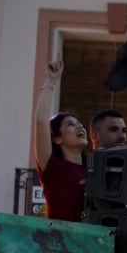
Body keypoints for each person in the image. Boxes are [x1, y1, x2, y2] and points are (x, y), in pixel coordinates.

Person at [33, 59, 89, 221]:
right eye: (71, 124)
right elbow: (41, 122)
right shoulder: (53, 169)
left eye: (79, 123)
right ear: (57, 139)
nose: (80, 126)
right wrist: (51, 81)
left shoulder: (93, 172)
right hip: (60, 237)